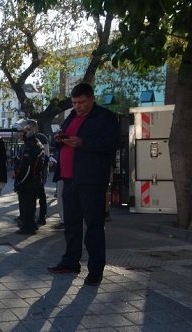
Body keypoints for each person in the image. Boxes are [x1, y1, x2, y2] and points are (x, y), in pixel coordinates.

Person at [47, 82, 119, 287]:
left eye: (81, 102)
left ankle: (95, 270)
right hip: (68, 179)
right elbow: (60, 142)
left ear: (91, 99)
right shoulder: (71, 116)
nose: (77, 106)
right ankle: (70, 262)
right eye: (74, 103)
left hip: (91, 180)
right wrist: (59, 139)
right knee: (71, 224)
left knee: (94, 226)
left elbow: (111, 144)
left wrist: (83, 143)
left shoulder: (105, 117)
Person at [13, 119, 44, 235]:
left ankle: (28, 227)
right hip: (34, 180)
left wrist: (19, 182)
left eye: (22, 131)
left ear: (29, 131)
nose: (20, 134)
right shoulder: (34, 142)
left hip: (29, 181)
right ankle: (31, 224)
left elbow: (26, 167)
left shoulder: (30, 145)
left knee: (26, 205)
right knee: (30, 204)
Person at [35, 132, 50, 226]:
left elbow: (46, 155)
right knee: (39, 194)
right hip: (37, 170)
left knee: (40, 194)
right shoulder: (40, 137)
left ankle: (42, 216)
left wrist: (42, 169)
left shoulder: (42, 138)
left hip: (39, 170)